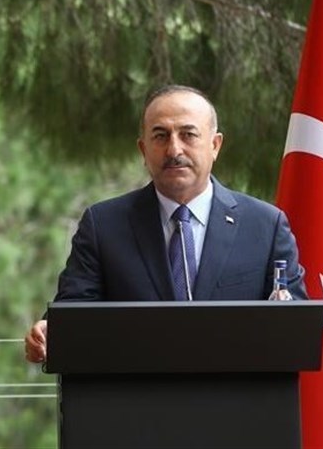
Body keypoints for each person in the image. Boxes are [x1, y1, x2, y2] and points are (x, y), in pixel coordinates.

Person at [24, 84, 307, 363]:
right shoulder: (103, 226)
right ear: (143, 149)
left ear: (215, 145)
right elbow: (74, 312)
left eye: (188, 135)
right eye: (160, 136)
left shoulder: (265, 226)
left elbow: (294, 327)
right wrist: (51, 332)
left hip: (235, 389)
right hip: (135, 389)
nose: (174, 149)